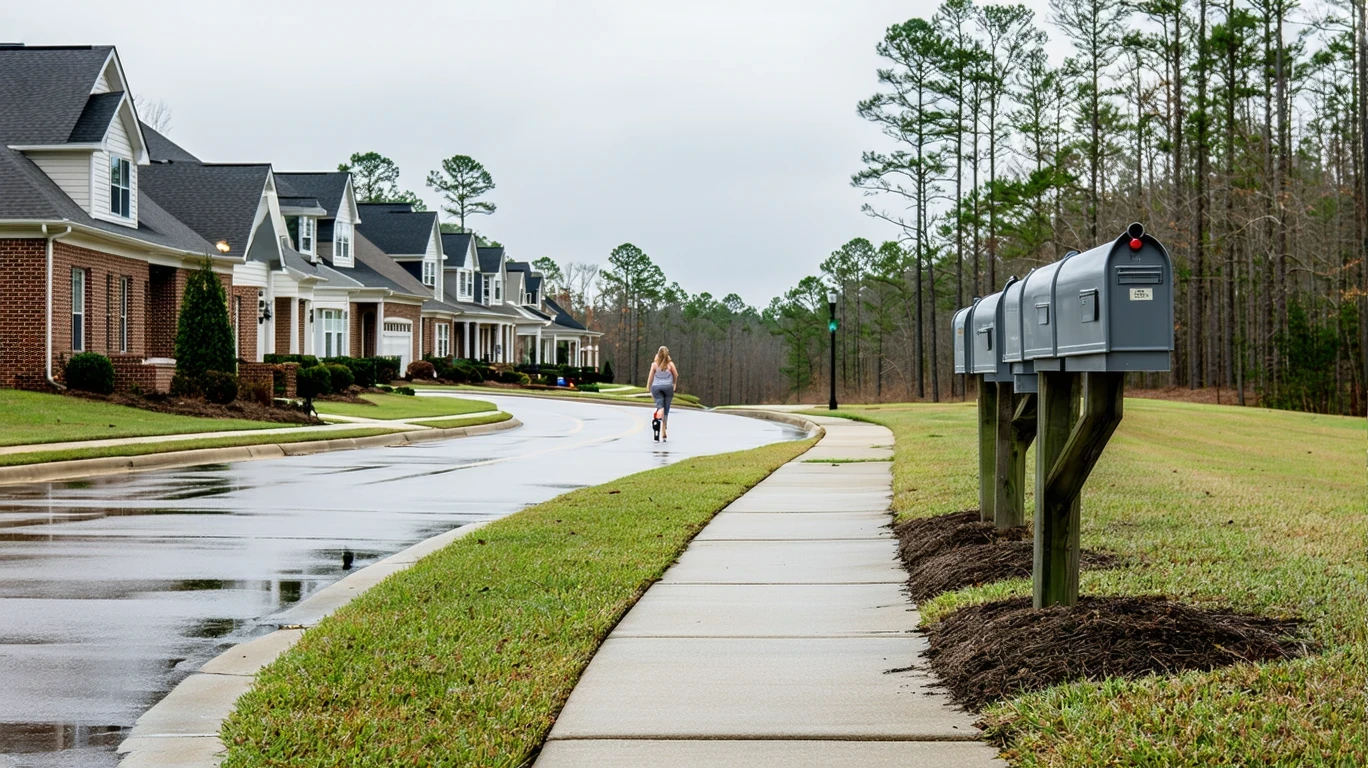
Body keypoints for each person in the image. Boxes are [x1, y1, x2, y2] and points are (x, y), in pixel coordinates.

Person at [648, 346, 679, 442]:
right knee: (666, 408)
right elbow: (676, 374)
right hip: (668, 387)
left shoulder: (654, 365)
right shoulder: (670, 365)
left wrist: (649, 387)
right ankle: (664, 428)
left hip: (656, 387)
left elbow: (651, 377)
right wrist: (674, 384)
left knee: (659, 405)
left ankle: (658, 419)